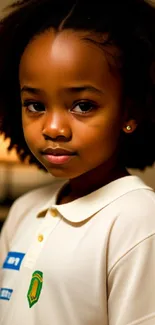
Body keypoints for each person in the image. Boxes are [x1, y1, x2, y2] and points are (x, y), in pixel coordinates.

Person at [0, 0, 155, 324]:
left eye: (83, 105)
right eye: (35, 105)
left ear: (130, 112)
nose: (52, 128)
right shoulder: (24, 211)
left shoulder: (140, 220)